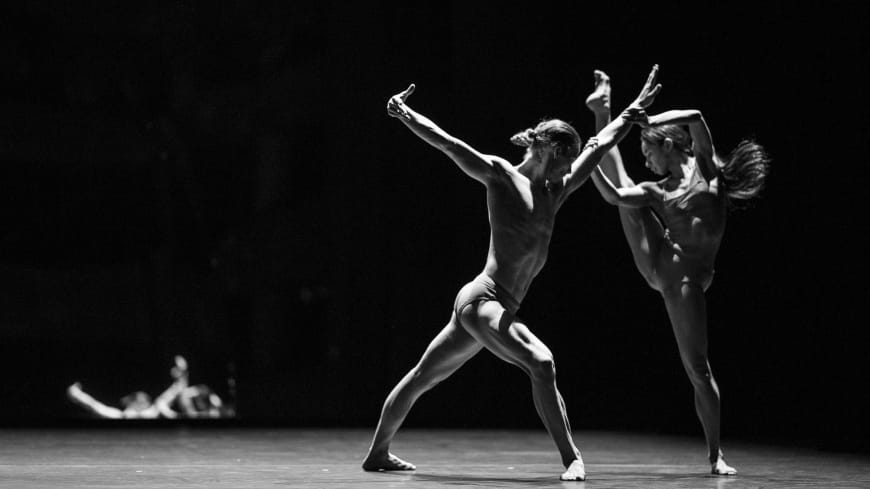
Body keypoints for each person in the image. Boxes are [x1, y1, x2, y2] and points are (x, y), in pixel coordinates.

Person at [362, 65, 662, 481]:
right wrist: (405, 113)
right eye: (566, 161)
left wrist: (632, 110)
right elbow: (449, 144)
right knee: (542, 362)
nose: (570, 171)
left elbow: (601, 143)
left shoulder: (555, 192)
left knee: (421, 378)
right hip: (484, 299)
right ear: (549, 151)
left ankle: (377, 453)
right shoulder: (501, 176)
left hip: (496, 307)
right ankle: (572, 459)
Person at [583, 69, 771, 476]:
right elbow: (613, 194)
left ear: (667, 145)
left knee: (698, 368)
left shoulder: (708, 170)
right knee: (627, 195)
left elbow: (696, 116)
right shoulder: (659, 190)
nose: (647, 160)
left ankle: (715, 454)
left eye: (648, 151)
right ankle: (603, 112)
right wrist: (592, 157)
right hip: (665, 269)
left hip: (690, 277)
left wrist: (649, 118)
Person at [67, 355, 226, 419]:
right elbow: (94, 406)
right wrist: (77, 395)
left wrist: (183, 372)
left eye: (142, 400)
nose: (141, 402)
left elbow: (175, 390)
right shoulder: (120, 415)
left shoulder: (152, 411)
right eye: (139, 400)